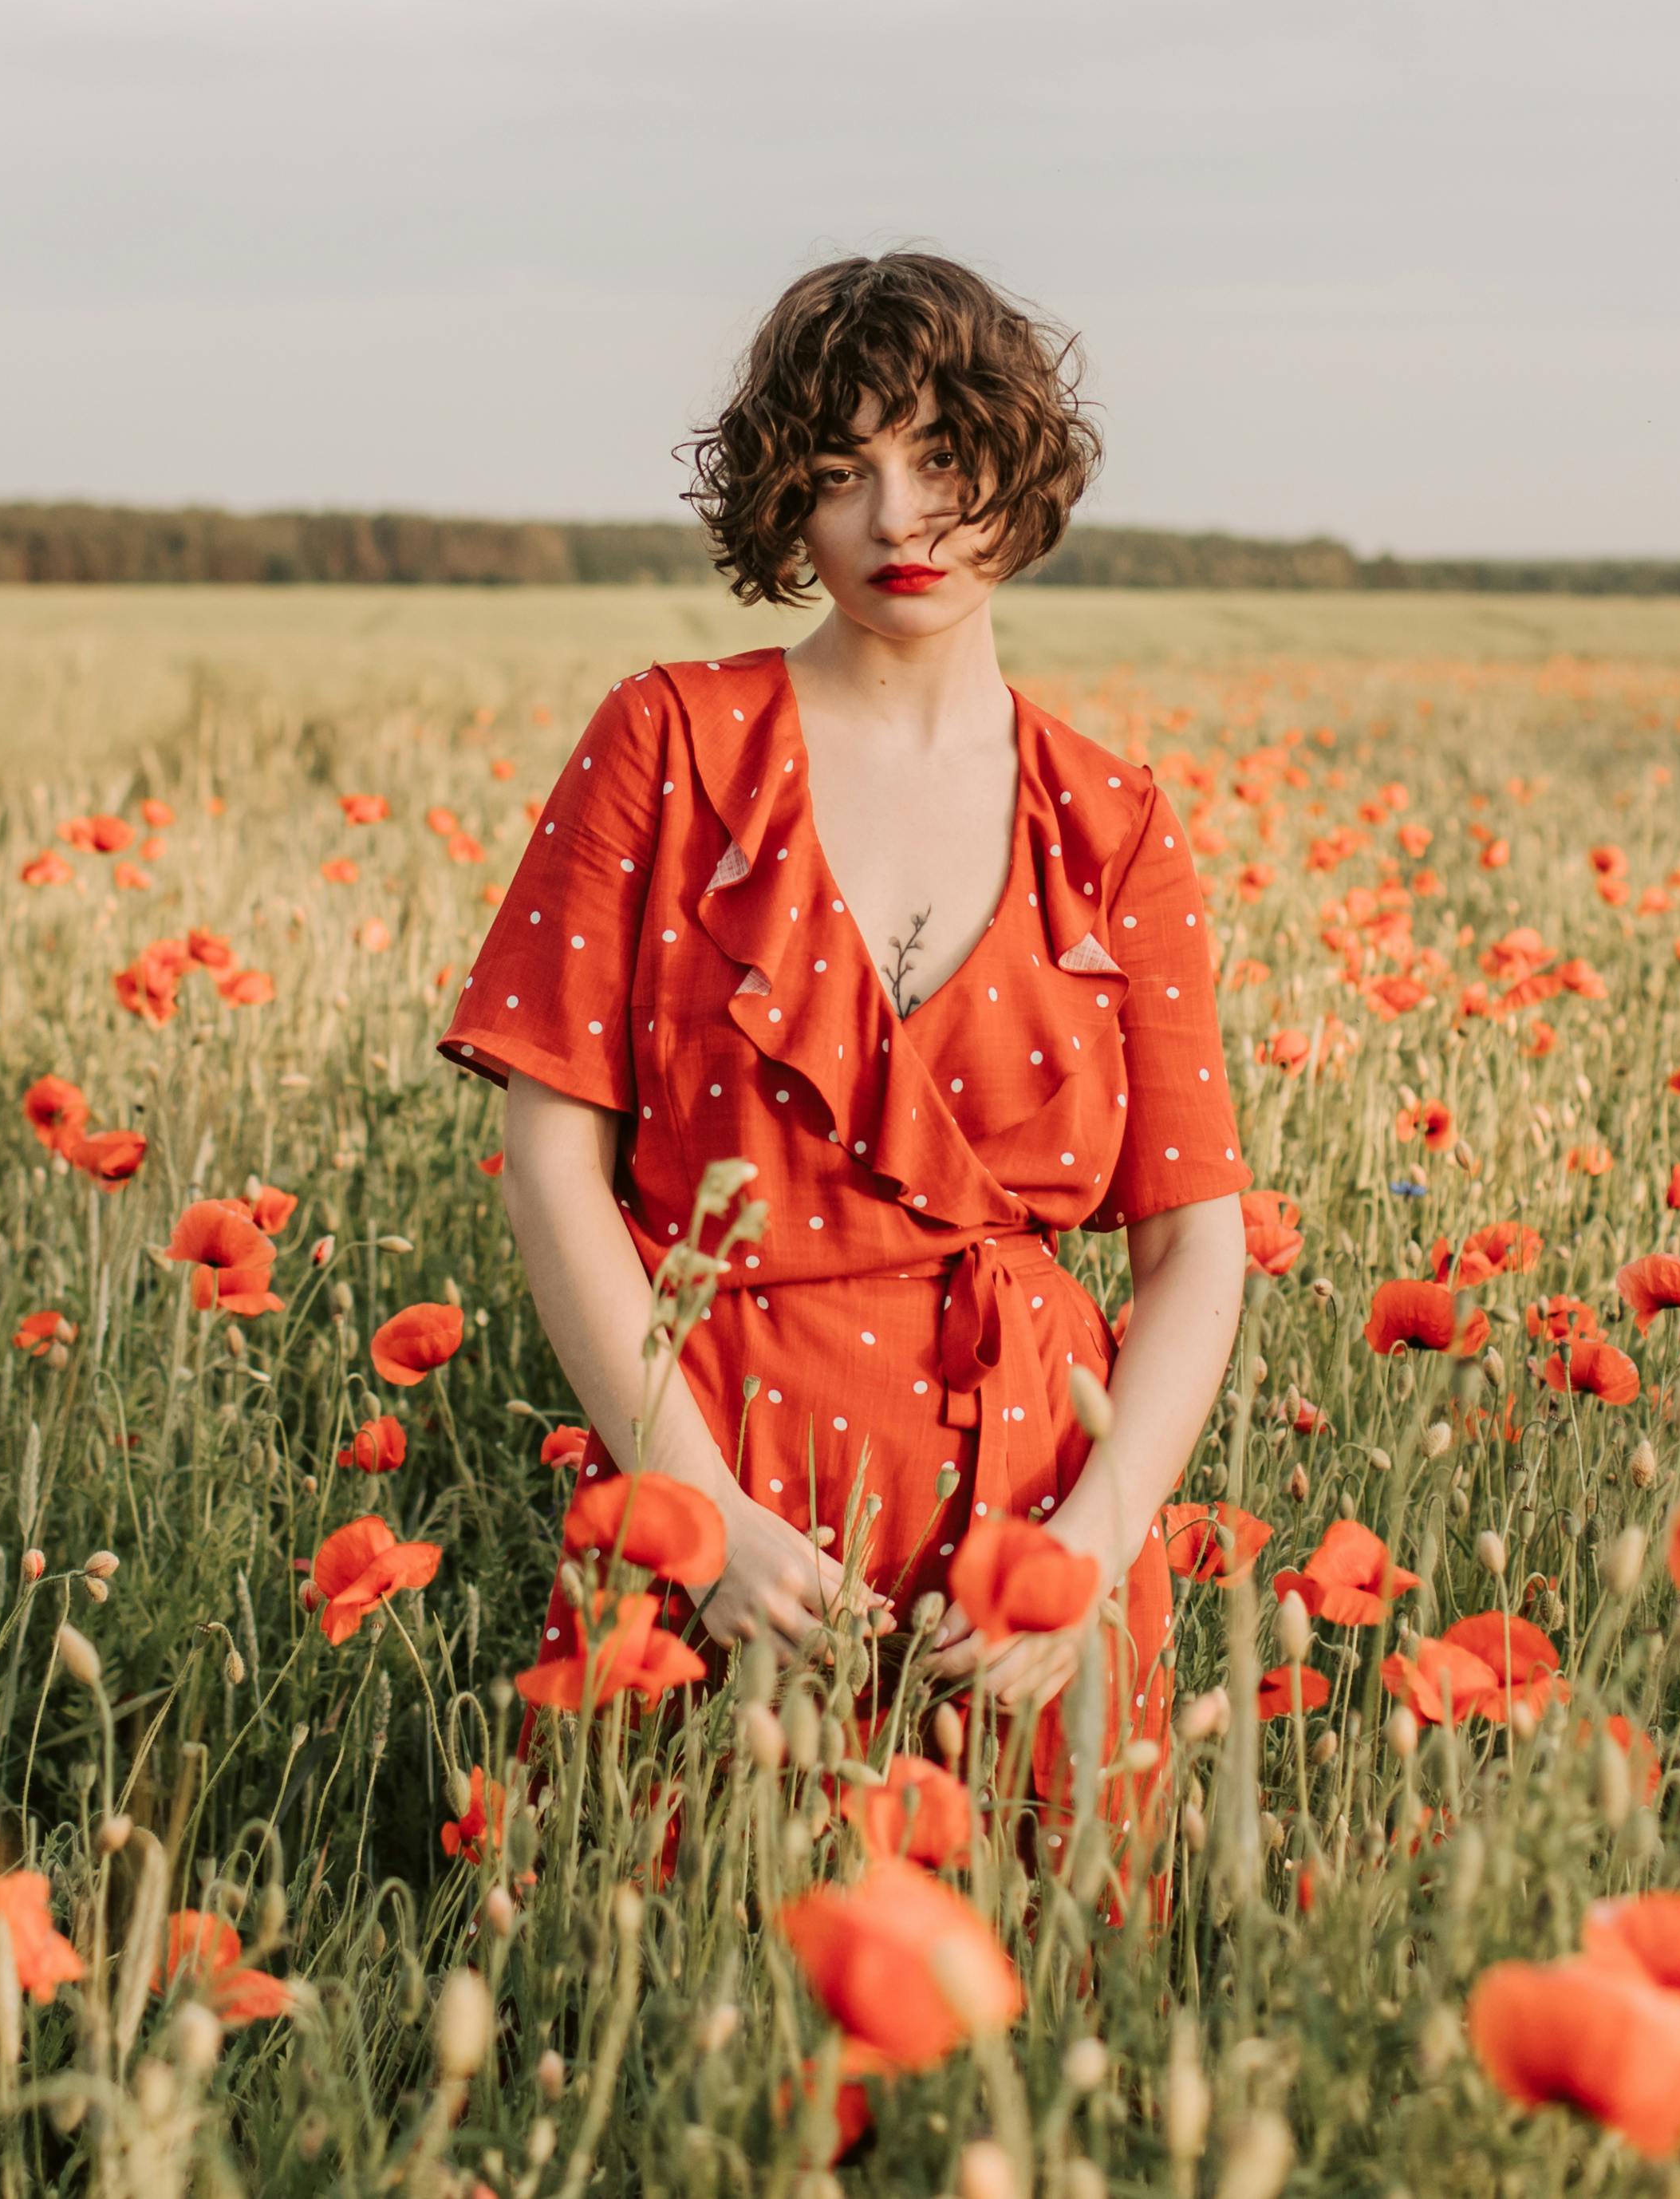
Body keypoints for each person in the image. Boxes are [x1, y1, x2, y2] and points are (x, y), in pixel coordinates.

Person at [445, 251, 1254, 1810]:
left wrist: (1087, 1548)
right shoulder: (666, 744)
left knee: (1044, 2006)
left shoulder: (1113, 823)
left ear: (1022, 470)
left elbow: (1194, 1244)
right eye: (839, 473)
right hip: (729, 1506)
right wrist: (692, 1512)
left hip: (1027, 1545)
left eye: (941, 458)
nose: (896, 520)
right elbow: (552, 1168)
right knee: (679, 2000)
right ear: (781, 509)